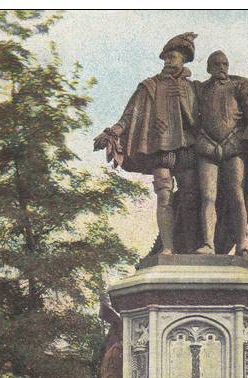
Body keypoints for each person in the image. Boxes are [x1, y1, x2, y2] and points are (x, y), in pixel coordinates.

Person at [94, 33, 199, 254]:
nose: (169, 61)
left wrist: (184, 101)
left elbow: (199, 121)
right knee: (164, 196)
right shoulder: (149, 86)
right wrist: (114, 131)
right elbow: (130, 115)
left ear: (184, 60)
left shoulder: (192, 88)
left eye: (174, 57)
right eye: (167, 57)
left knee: (190, 197)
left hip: (187, 148)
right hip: (160, 148)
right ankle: (168, 248)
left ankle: (190, 248)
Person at [194, 51, 248, 257]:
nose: (221, 67)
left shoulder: (240, 88)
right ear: (208, 68)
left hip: (234, 149)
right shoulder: (200, 90)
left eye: (225, 63)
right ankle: (208, 244)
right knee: (207, 197)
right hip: (206, 148)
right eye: (216, 64)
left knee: (237, 196)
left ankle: (242, 243)